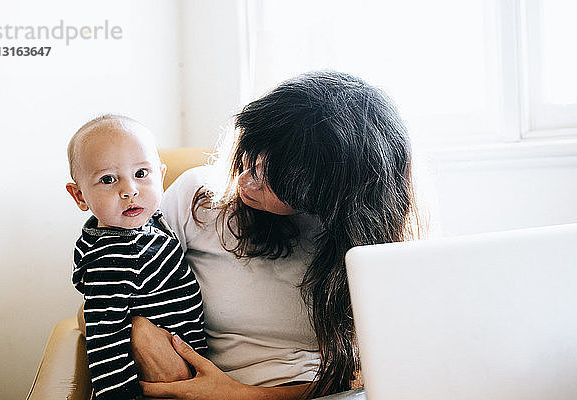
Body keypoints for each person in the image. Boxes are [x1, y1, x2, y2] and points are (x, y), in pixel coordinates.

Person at [133, 71, 428, 399]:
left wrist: (240, 395)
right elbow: (100, 297)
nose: (245, 180)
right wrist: (137, 330)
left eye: (272, 181)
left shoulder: (366, 245)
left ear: (324, 195)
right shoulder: (198, 197)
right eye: (249, 156)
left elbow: (373, 373)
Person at [66, 115, 207, 399]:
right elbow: (106, 340)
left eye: (141, 174)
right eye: (108, 179)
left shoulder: (144, 224)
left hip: (189, 364)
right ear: (80, 196)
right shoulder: (112, 257)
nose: (129, 190)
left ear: (161, 176)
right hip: (161, 384)